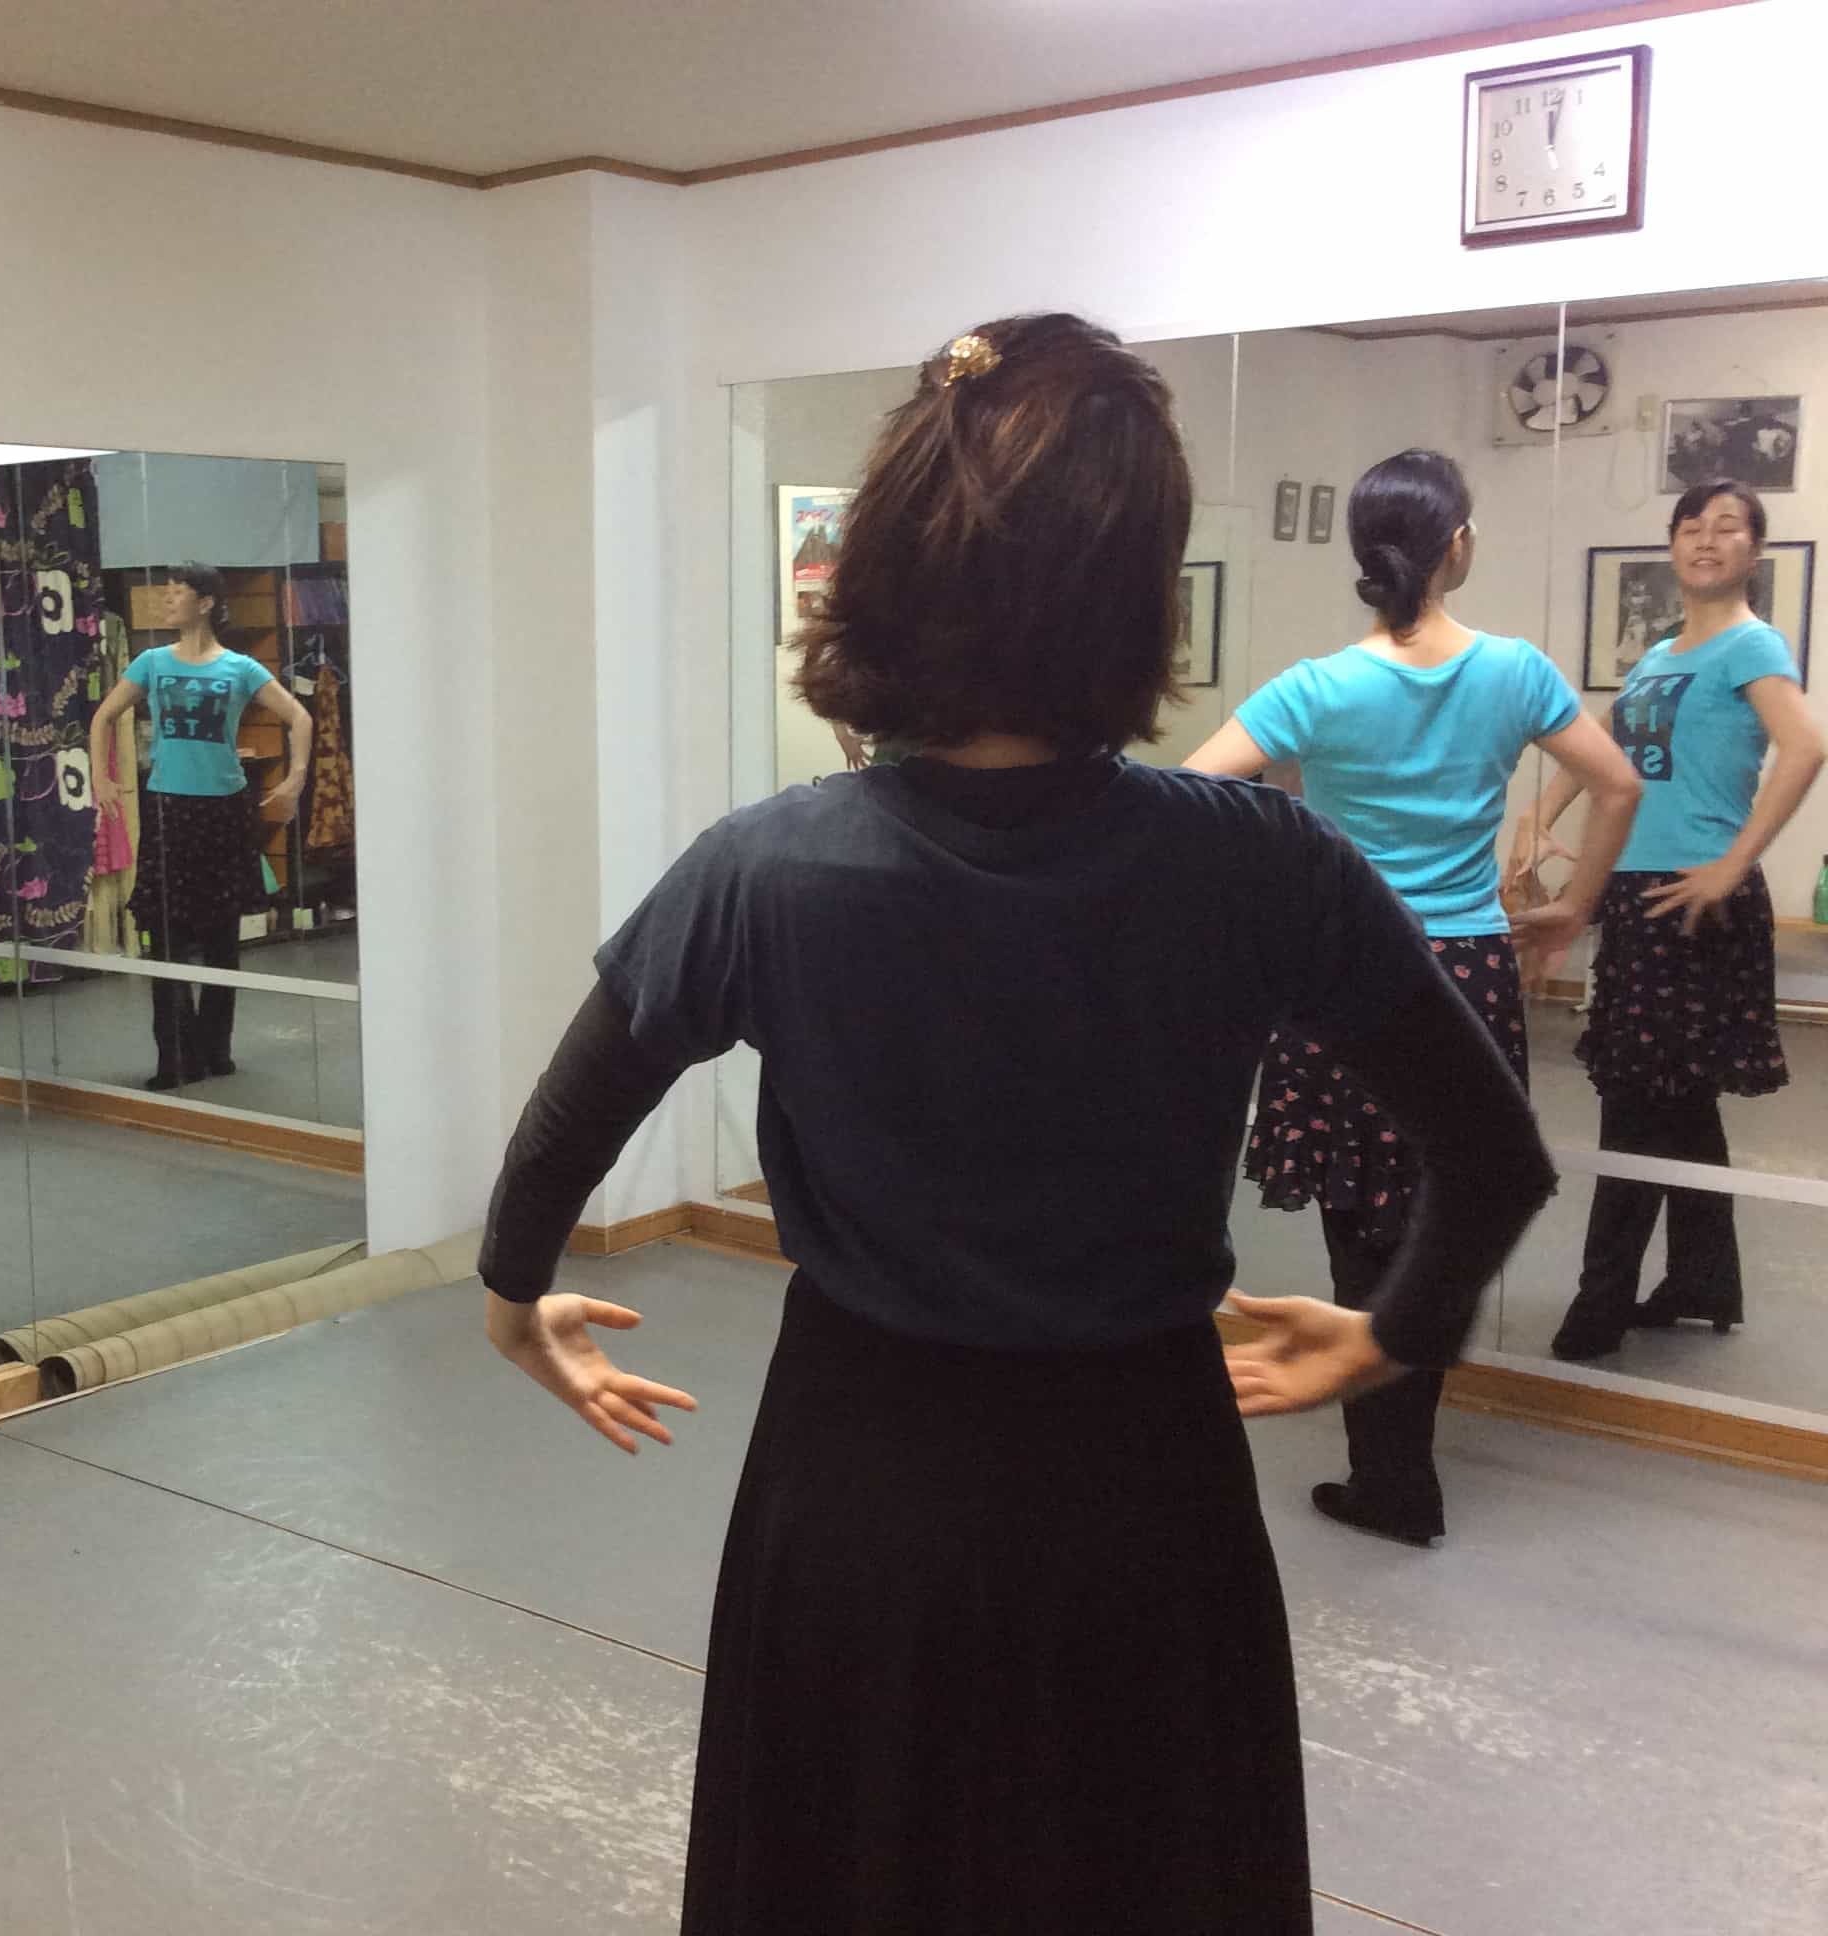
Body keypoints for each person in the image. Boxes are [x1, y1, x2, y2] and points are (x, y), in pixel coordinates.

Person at [477, 317, 1557, 1934]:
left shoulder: (765, 871)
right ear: (1138, 588)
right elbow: (1493, 1153)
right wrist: (1392, 1333)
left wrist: (517, 1302)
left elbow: (559, 1139)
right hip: (1147, 1490)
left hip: (860, 1493)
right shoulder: (1261, 865)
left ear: (891, 561)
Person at [1183, 449, 1641, 1545]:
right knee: (1444, 1204)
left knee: (1359, 1219)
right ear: (1458, 545)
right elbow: (1619, 783)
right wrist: (1573, 909)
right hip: (1467, 969)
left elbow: (1190, 794)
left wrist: (1277, 879)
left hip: (1345, 966)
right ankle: (1401, 1465)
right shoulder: (1514, 672)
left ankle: (1389, 1475)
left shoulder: (1317, 688)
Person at [1520, 481, 1824, 1359]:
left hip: (1692, 897)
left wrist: (1733, 863)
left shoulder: (1750, 644)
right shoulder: (1661, 653)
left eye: (1727, 527)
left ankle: (1601, 1299)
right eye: (1691, 526)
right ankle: (1703, 1279)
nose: (1706, 539)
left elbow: (1805, 746)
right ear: (1672, 544)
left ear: (1754, 550)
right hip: (1637, 889)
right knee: (1677, 1100)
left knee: (1637, 1102)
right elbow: (1606, 741)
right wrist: (1541, 810)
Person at [89, 565, 311, 1090]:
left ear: (206, 602)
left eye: (177, 592)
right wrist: (101, 776)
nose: (167, 600)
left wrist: (296, 776)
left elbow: (299, 717)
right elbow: (104, 717)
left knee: (220, 936)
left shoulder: (240, 667)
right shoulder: (151, 662)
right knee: (165, 935)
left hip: (225, 811)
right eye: (165, 592)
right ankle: (176, 1057)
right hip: (170, 809)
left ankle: (215, 1049)